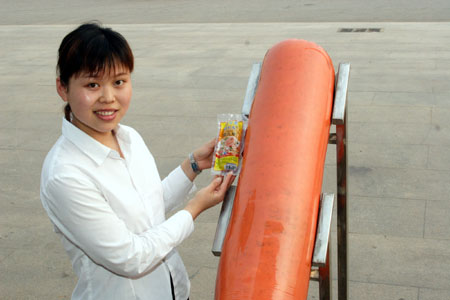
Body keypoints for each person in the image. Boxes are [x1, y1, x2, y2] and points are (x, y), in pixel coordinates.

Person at [40, 22, 233, 300]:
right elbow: (131, 258)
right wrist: (194, 208)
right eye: (92, 84)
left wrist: (192, 166)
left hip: (175, 290)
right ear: (63, 88)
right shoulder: (65, 175)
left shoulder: (128, 137)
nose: (108, 98)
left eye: (119, 82)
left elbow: (148, 207)